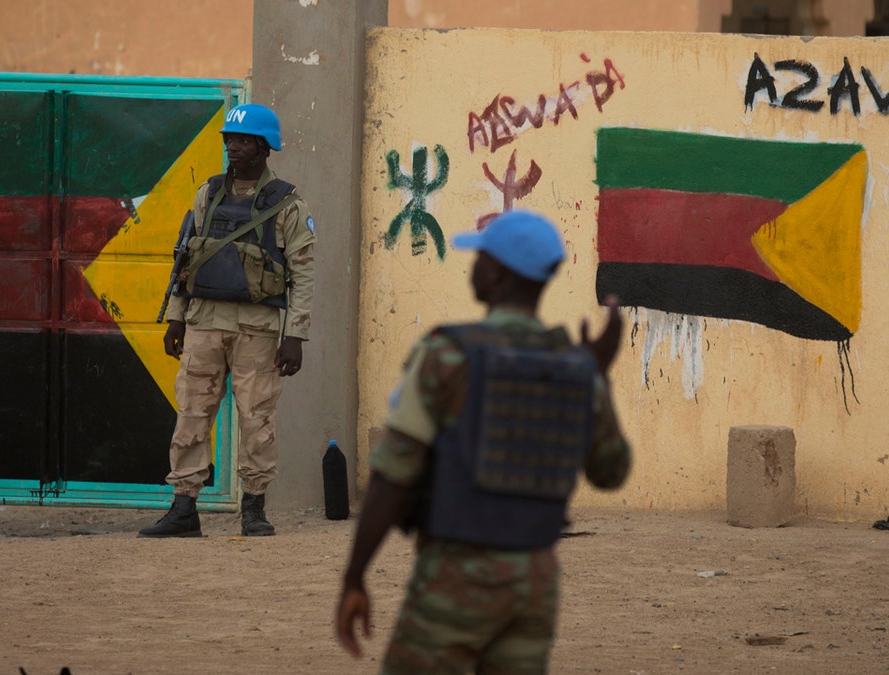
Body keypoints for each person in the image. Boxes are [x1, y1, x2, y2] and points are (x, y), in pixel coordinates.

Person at [334, 210, 631, 672]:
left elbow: (393, 476)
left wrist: (354, 577)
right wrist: (598, 374)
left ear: (495, 273)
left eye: (479, 258)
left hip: (457, 574)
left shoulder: (447, 355)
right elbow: (611, 472)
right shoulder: (576, 368)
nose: (473, 267)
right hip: (534, 582)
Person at [139, 103, 316, 538]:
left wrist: (295, 336)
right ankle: (184, 507)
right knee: (193, 412)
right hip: (204, 322)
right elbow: (185, 257)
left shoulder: (288, 203)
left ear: (264, 146)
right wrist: (176, 318)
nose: (232, 148)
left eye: (242, 141)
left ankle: (253, 509)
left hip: (257, 328)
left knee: (256, 417)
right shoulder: (208, 193)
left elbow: (304, 273)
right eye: (228, 140)